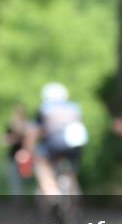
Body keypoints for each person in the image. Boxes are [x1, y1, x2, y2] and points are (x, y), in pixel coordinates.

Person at [22, 82, 88, 217]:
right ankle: (73, 192)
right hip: (74, 147)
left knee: (42, 167)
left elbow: (34, 131)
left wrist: (28, 150)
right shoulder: (74, 108)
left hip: (52, 147)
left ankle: (52, 193)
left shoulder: (45, 109)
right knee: (70, 171)